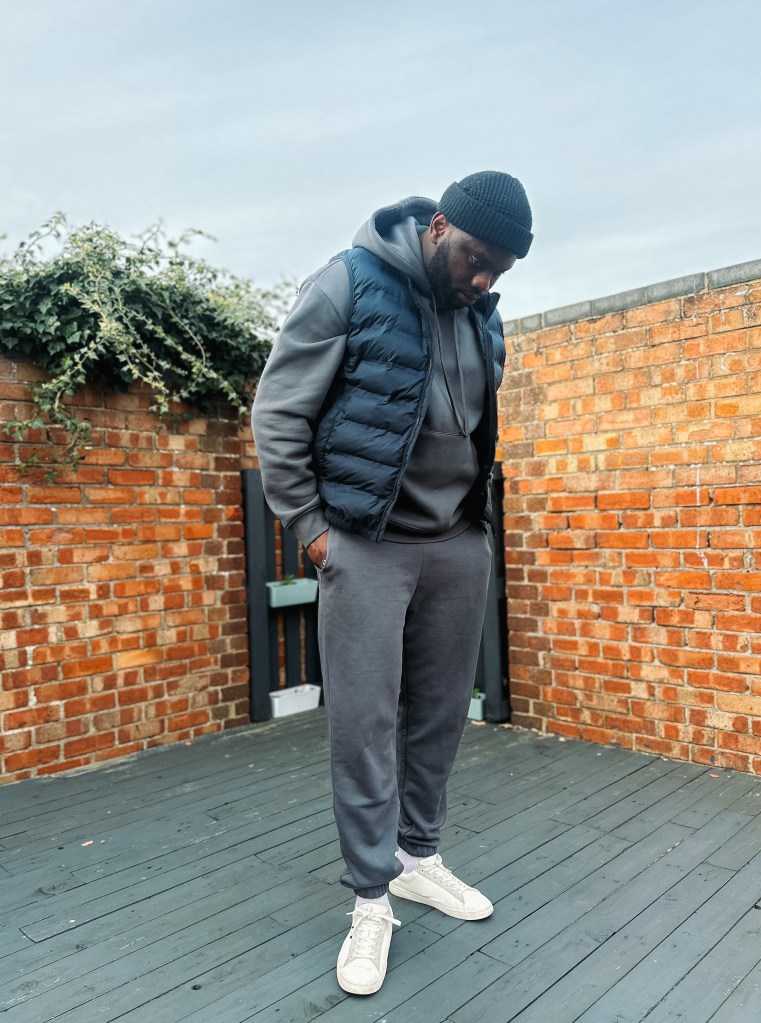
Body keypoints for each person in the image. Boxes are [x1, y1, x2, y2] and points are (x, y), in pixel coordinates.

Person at [251, 171, 533, 996]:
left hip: (457, 543)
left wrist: (475, 526)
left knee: (441, 714)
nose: (483, 278)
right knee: (365, 724)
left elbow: (472, 424)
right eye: (476, 258)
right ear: (440, 226)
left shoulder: (483, 315)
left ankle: (417, 857)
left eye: (501, 270)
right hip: (367, 545)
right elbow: (279, 411)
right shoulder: (349, 282)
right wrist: (314, 531)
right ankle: (371, 898)